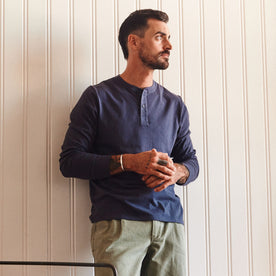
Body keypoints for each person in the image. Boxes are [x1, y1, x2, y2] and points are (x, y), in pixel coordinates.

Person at [59, 9, 199, 276]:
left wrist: (177, 172)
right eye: (160, 37)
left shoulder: (175, 104)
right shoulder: (97, 98)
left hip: (170, 226)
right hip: (117, 225)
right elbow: (69, 162)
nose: (169, 45)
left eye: (169, 38)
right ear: (133, 42)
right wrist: (128, 162)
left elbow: (191, 161)